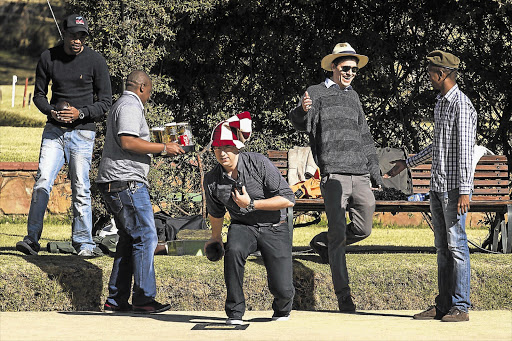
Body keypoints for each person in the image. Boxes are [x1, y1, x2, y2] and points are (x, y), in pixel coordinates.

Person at [289, 42, 383, 312]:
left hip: (361, 174)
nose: (350, 73)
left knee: (364, 228)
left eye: (354, 69)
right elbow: (299, 123)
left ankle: (322, 242)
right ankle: (344, 297)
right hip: (333, 175)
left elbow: (364, 136)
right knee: (339, 234)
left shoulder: (354, 96)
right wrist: (302, 110)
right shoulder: (316, 93)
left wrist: (375, 170)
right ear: (333, 66)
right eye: (345, 68)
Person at [385, 50, 477, 322]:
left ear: (442, 74)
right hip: (438, 187)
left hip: (453, 190)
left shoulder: (462, 105)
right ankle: (443, 304)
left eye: (431, 74)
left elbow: (464, 151)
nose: (429, 79)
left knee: (457, 246)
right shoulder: (441, 103)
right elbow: (438, 146)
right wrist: (408, 163)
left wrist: (463, 190)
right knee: (442, 248)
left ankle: (461, 307)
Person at [16, 14, 112, 257]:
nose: (77, 40)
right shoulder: (48, 57)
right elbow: (38, 95)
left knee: (81, 186)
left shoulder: (96, 61)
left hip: (83, 133)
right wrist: (51, 111)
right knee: (42, 183)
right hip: (54, 132)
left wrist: (81, 113)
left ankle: (84, 244)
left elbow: (105, 102)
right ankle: (31, 240)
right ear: (64, 34)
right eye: (73, 35)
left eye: (82, 36)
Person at [96, 70, 185, 313]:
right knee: (147, 236)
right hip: (127, 182)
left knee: (129, 239)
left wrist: (157, 146)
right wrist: (163, 147)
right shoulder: (129, 105)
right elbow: (128, 141)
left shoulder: (121, 104)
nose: (148, 97)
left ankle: (116, 300)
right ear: (143, 88)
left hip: (117, 181)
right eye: (150, 93)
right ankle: (144, 299)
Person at [203, 112, 296, 325]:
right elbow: (216, 212)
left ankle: (282, 310)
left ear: (237, 147)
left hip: (275, 224)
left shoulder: (259, 163)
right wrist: (216, 237)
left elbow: (288, 199)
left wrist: (252, 204)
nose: (222, 153)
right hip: (243, 226)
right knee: (233, 250)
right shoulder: (212, 179)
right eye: (217, 148)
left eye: (227, 147)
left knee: (282, 289)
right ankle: (235, 313)